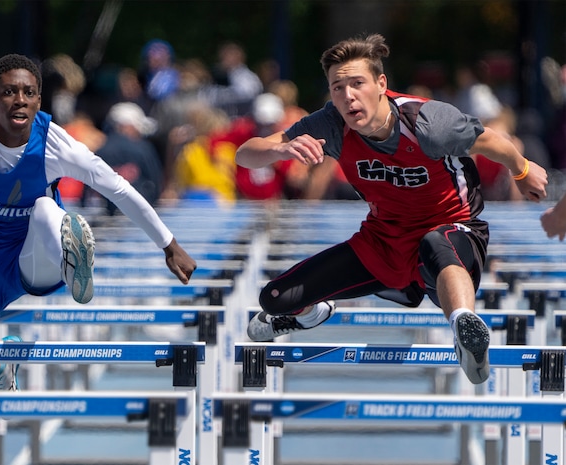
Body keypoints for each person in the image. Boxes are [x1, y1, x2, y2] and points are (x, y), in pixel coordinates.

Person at [235, 34, 548, 385]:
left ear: (381, 84)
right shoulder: (329, 125)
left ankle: (465, 327)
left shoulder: (428, 121)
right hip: (384, 240)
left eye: (357, 84)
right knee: (273, 298)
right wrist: (282, 148)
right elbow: (244, 154)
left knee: (435, 243)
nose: (348, 96)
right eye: (337, 87)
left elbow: (490, 140)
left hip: (454, 231)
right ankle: (310, 314)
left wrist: (522, 170)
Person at [0, 53, 197, 391]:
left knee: (45, 208)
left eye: (29, 93)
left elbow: (119, 189)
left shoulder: (57, 145)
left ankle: (73, 259)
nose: (20, 101)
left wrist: (168, 244)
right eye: (9, 92)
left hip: (35, 257)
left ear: (39, 100)